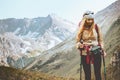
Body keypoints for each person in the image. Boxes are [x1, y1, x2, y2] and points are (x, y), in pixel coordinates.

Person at [76, 11, 106, 80]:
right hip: (85, 52)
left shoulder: (96, 26)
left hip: (96, 51)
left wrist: (103, 50)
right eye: (88, 19)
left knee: (97, 73)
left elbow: (100, 40)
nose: (90, 21)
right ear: (84, 20)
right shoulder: (81, 28)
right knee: (87, 74)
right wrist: (79, 45)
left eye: (91, 19)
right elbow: (77, 42)